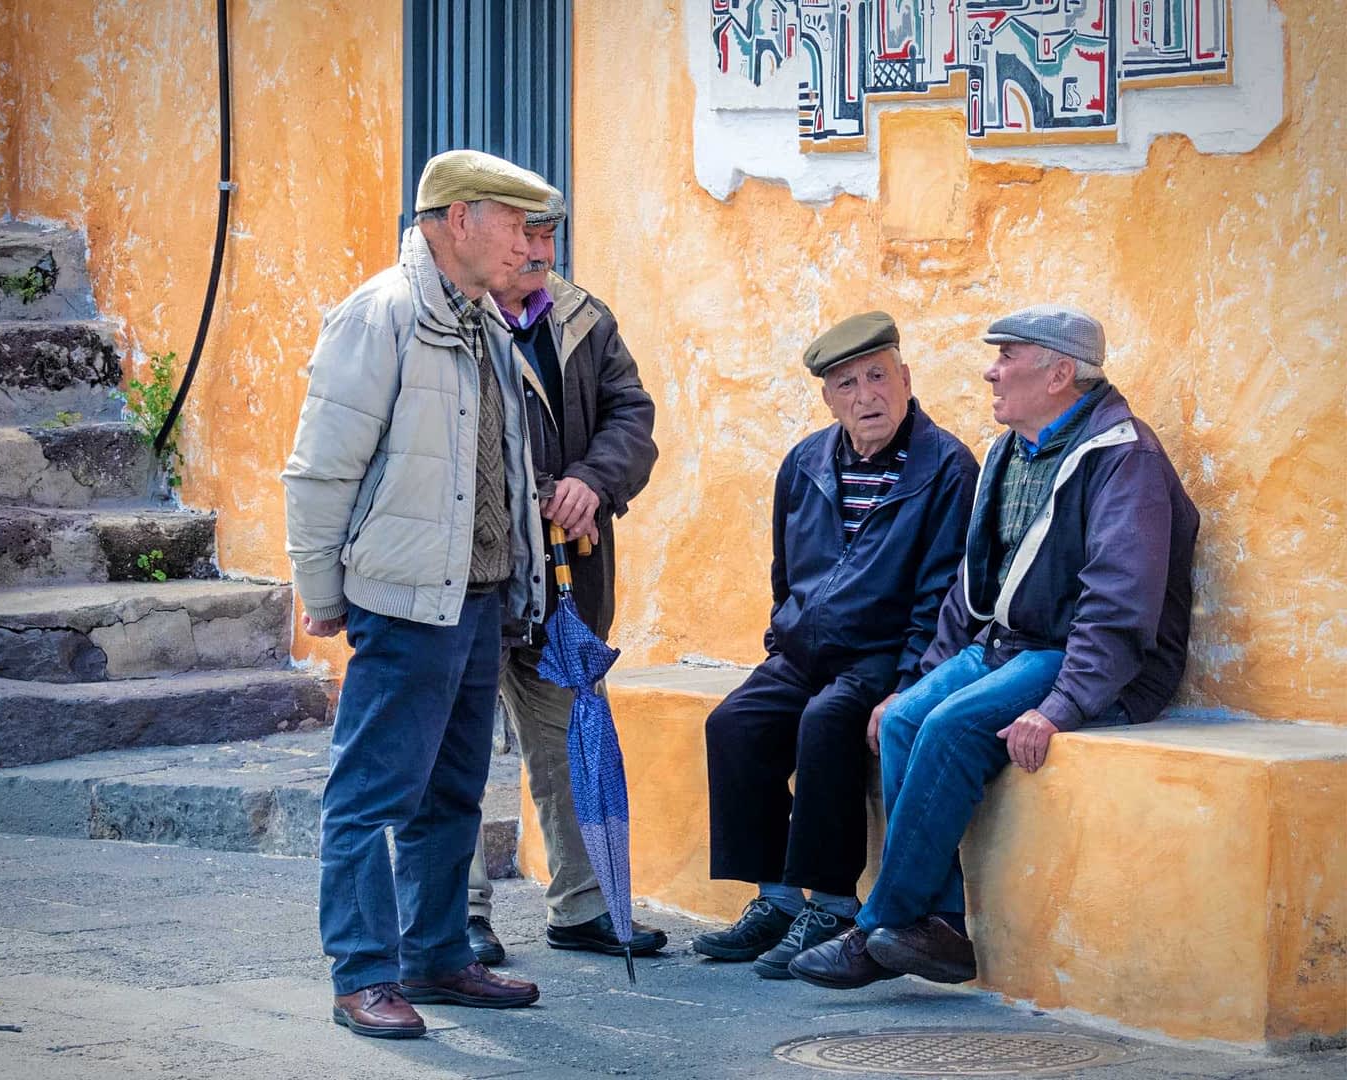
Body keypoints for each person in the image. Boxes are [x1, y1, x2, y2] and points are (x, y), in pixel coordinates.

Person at [789, 305, 1201, 990]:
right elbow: (971, 587)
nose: (991, 369)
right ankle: (943, 928)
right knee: (900, 719)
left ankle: (876, 926)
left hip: (1080, 659)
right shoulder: (1014, 448)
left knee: (950, 728)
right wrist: (919, 678)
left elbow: (1120, 607)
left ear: (1059, 373)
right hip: (1008, 644)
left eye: (1007, 356)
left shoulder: (1123, 458)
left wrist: (1063, 705)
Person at [282, 149, 555, 1040]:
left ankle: (436, 954)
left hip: (475, 599)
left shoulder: (485, 321)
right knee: (371, 793)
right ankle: (362, 973)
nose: (532, 245)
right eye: (518, 227)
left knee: (454, 790)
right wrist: (321, 587)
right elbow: (322, 468)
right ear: (461, 219)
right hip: (404, 600)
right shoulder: (382, 315)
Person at [692, 312, 979, 979]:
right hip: (801, 651)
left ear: (905, 379)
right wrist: (777, 643)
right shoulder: (806, 461)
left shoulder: (946, 467)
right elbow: (784, 569)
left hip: (881, 658)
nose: (865, 396)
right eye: (846, 384)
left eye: (878, 377)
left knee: (827, 723)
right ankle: (779, 899)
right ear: (828, 398)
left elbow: (941, 591)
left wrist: (910, 681)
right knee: (735, 723)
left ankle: (833, 904)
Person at [465, 185, 666, 965]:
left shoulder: (584, 317)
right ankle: (463, 914)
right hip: (477, 573)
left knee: (569, 740)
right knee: (466, 756)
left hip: (565, 580)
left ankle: (582, 906)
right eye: (528, 248)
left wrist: (593, 478)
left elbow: (632, 417)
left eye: (550, 250)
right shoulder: (453, 320)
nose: (541, 266)